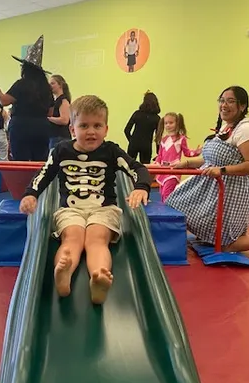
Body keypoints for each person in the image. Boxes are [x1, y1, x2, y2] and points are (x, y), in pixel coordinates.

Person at [19, 95, 152, 305]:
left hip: (103, 209)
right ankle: (63, 273)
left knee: (96, 239)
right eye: (84, 126)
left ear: (106, 129)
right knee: (72, 238)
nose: (91, 131)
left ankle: (99, 276)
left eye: (97, 125)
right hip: (70, 210)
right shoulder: (61, 151)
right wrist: (30, 194)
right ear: (72, 129)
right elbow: (43, 174)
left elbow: (137, 168)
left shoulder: (111, 151)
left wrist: (141, 188)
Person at [166, 86, 249, 256]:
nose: (224, 105)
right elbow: (210, 158)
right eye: (222, 100)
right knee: (175, 203)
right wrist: (187, 162)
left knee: (227, 243)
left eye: (230, 101)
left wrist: (222, 170)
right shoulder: (226, 127)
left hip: (232, 191)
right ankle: (211, 237)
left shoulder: (247, 129)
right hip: (211, 188)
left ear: (242, 106)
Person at [0, 35, 53, 161]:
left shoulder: (21, 84)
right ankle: (37, 181)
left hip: (21, 127)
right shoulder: (46, 88)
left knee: (20, 162)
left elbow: (4, 101)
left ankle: (22, 181)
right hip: (42, 127)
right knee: (39, 162)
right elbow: (50, 112)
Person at [155, 112, 201, 202]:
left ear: (177, 123)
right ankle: (165, 212)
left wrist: (196, 152)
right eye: (166, 123)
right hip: (163, 170)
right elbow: (160, 155)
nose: (168, 125)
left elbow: (187, 152)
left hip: (174, 169)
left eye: (171, 123)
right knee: (161, 194)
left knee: (167, 193)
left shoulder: (181, 138)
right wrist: (156, 164)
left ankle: (169, 213)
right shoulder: (163, 139)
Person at [124, 91, 161, 163]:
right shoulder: (157, 118)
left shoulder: (137, 113)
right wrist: (158, 151)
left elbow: (126, 130)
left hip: (134, 144)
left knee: (129, 168)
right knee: (144, 169)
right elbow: (158, 137)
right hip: (146, 146)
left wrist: (131, 141)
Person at [47, 74, 71, 149]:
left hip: (60, 137)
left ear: (60, 85)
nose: (50, 86)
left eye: (52, 83)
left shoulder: (63, 101)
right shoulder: (56, 101)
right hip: (55, 136)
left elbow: (64, 120)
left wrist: (48, 118)